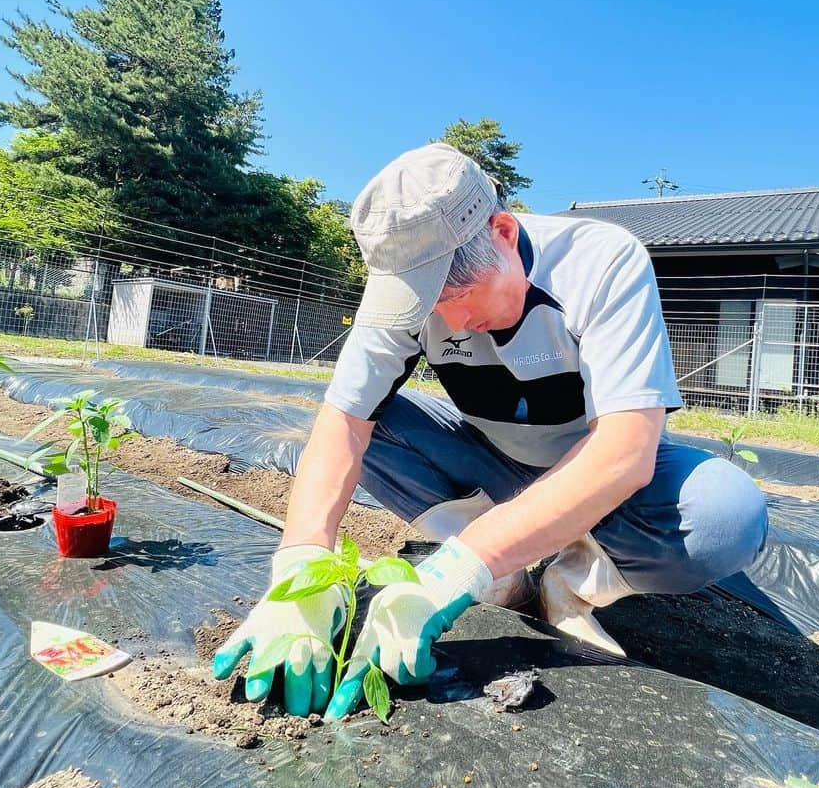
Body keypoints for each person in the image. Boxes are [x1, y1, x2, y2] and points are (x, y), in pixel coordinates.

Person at [212, 144, 768, 718]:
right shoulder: (410, 301)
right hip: (493, 462)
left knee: (722, 518)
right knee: (367, 425)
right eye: (425, 306)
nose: (449, 324)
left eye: (454, 296)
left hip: (602, 484)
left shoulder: (600, 263)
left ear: (502, 232)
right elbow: (344, 422)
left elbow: (623, 453)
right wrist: (301, 567)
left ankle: (566, 580)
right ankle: (505, 578)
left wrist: (455, 567)